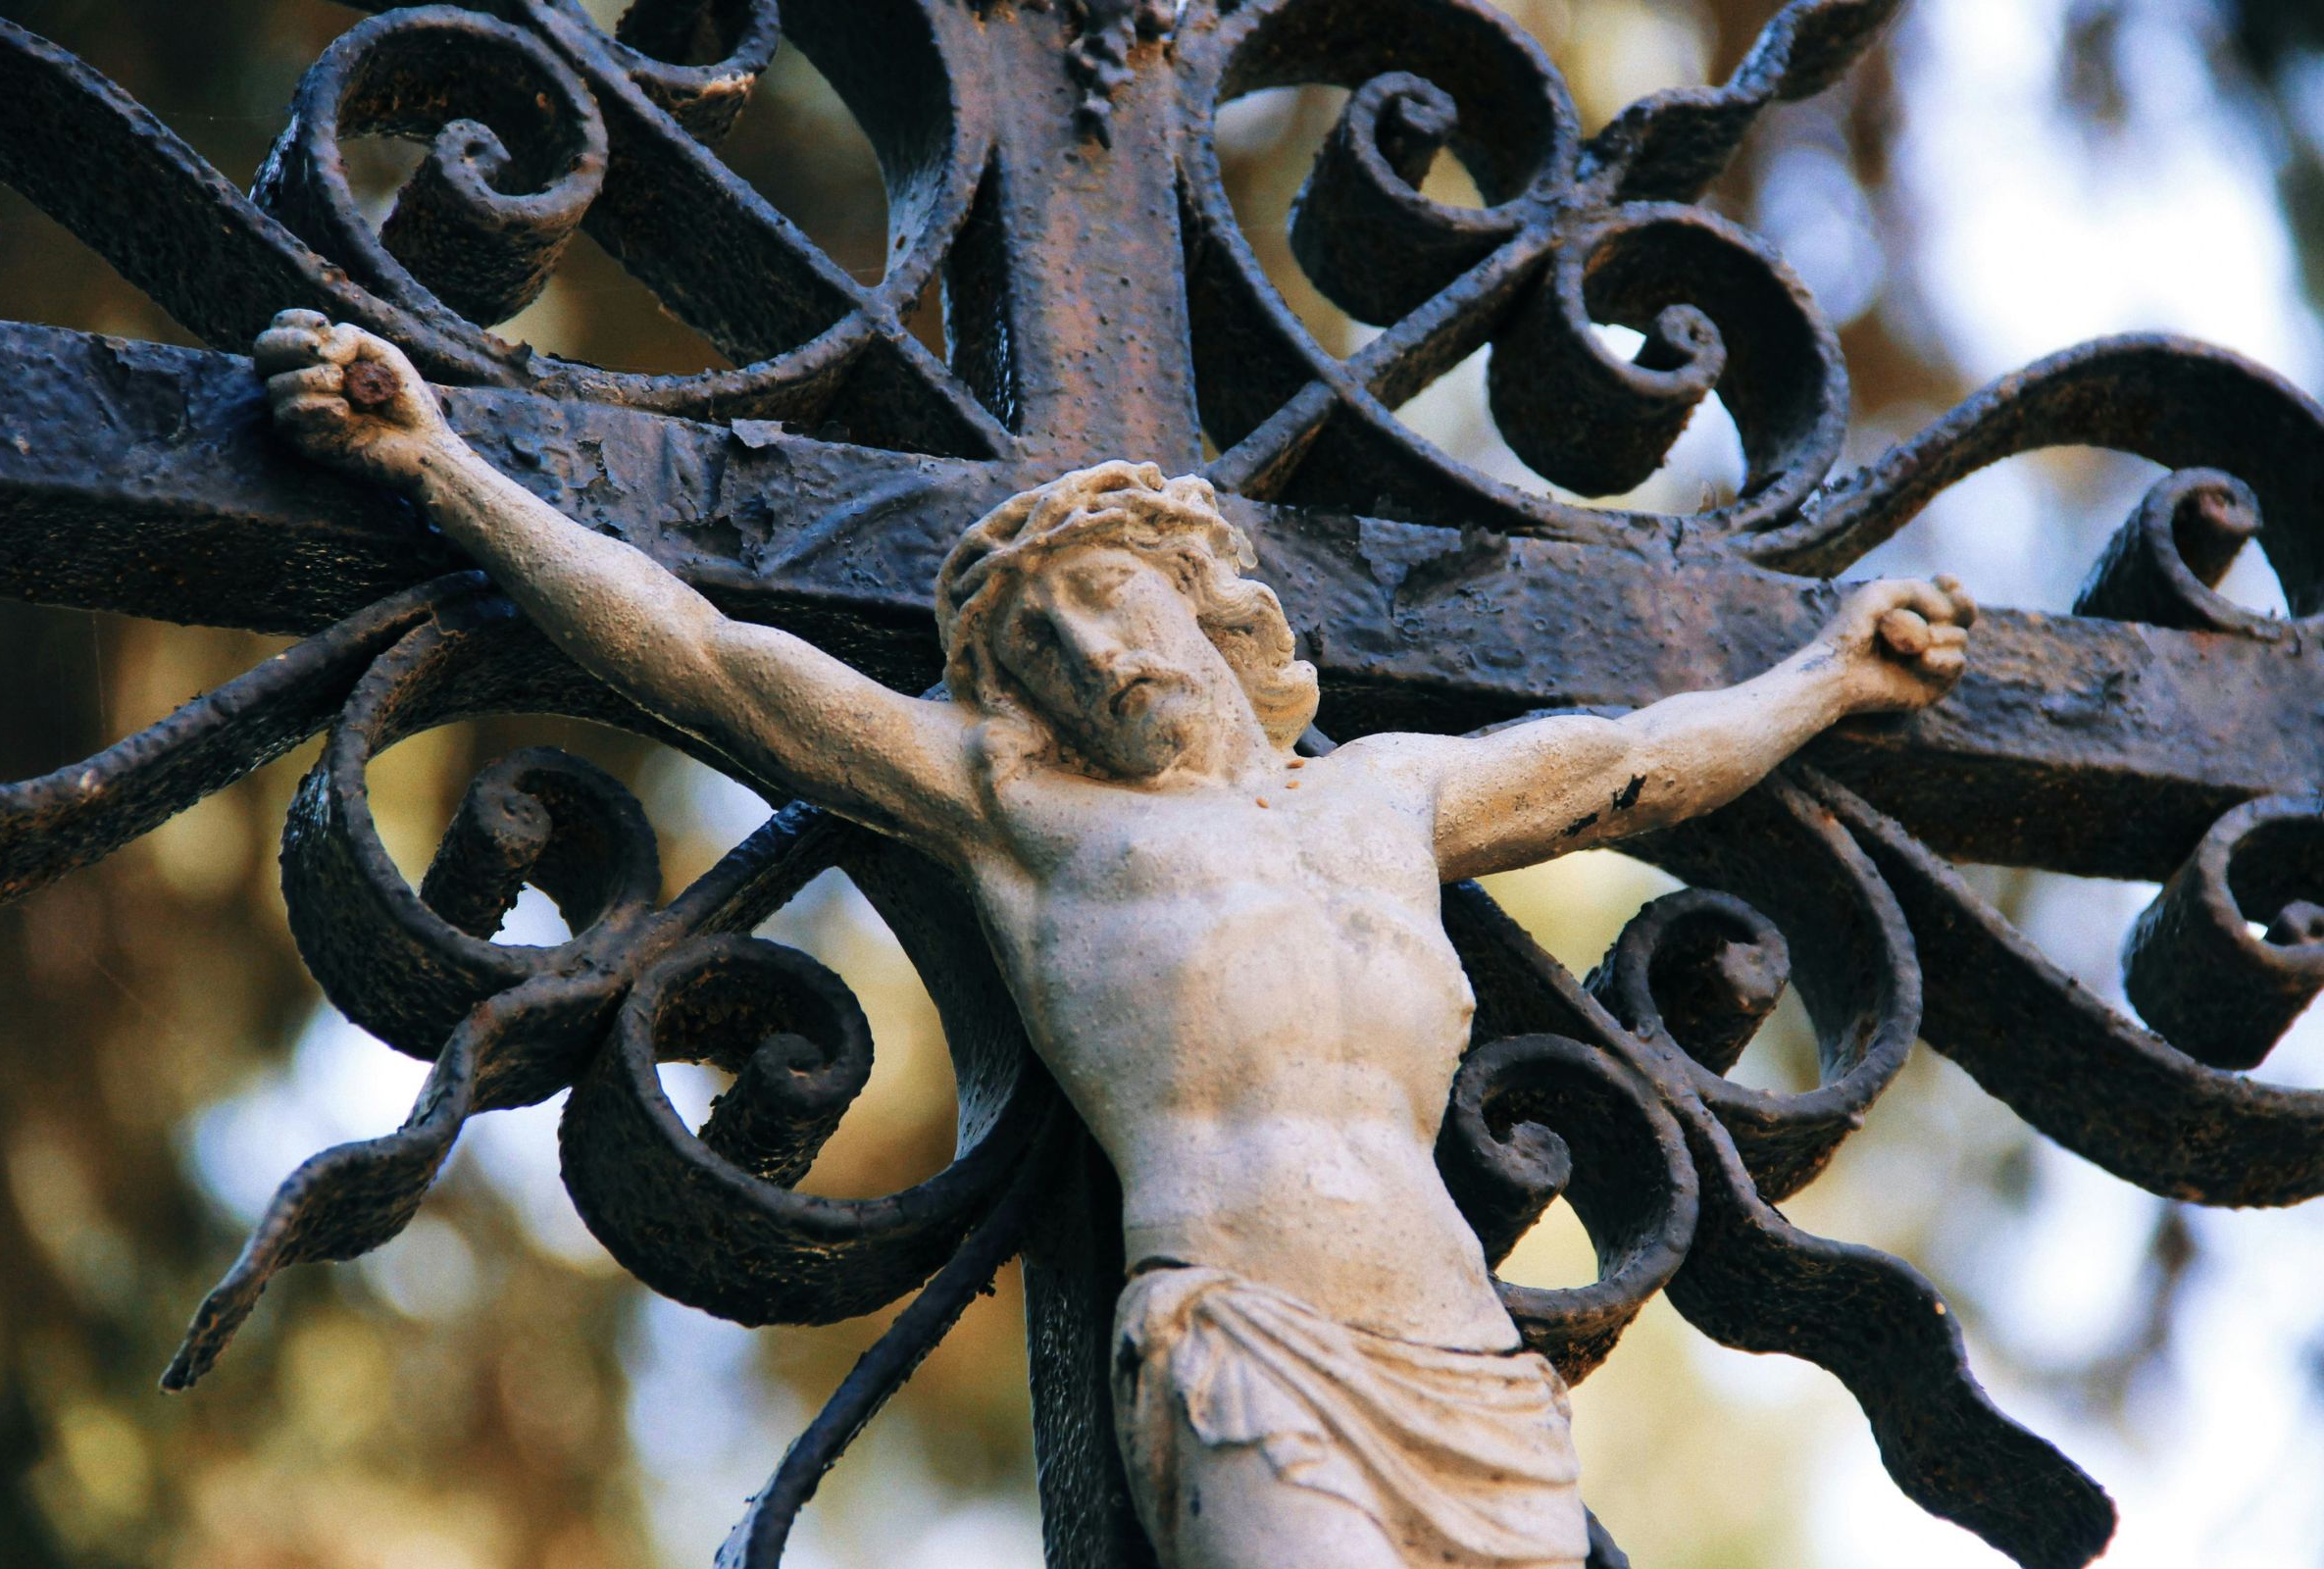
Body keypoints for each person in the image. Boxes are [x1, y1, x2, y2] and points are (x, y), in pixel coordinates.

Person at [255, 309, 1974, 1569]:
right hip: (1249, 1341)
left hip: (1471, 1364)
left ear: (1215, 610)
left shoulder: (1392, 797)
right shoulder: (1031, 813)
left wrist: (1831, 674)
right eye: (1045, 642)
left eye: (1115, 598)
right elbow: (708, 661)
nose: (1091, 650)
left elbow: (1633, 763)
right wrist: (439, 463)